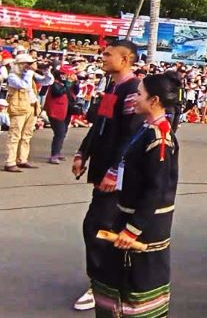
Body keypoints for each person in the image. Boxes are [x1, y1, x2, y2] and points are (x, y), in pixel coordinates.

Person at [90, 71, 181, 317]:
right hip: (127, 212)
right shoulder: (145, 127)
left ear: (154, 101)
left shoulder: (160, 137)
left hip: (146, 223)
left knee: (139, 280)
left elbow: (156, 188)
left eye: (139, 94)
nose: (134, 99)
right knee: (117, 276)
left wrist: (133, 229)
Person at [71, 40, 143, 312]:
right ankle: (113, 278)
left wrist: (116, 171)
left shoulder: (133, 91)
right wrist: (83, 153)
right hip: (102, 171)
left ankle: (102, 282)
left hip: (117, 176)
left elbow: (131, 136)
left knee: (97, 226)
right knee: (104, 227)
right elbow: (99, 125)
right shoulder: (112, 87)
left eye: (108, 54)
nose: (102, 57)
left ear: (125, 60)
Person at [4, 53, 53, 172]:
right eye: (28, 64)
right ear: (20, 64)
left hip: (32, 106)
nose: (30, 66)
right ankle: (10, 162)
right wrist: (29, 72)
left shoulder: (29, 74)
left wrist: (46, 71)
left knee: (27, 135)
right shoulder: (13, 76)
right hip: (19, 107)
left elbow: (47, 82)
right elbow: (24, 86)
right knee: (15, 135)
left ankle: (22, 159)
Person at [45, 64, 79, 164]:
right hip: (56, 111)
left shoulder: (68, 84)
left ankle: (57, 152)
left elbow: (76, 92)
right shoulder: (55, 84)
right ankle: (54, 155)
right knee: (59, 133)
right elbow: (58, 93)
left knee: (63, 133)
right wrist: (66, 84)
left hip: (67, 111)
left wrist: (76, 83)